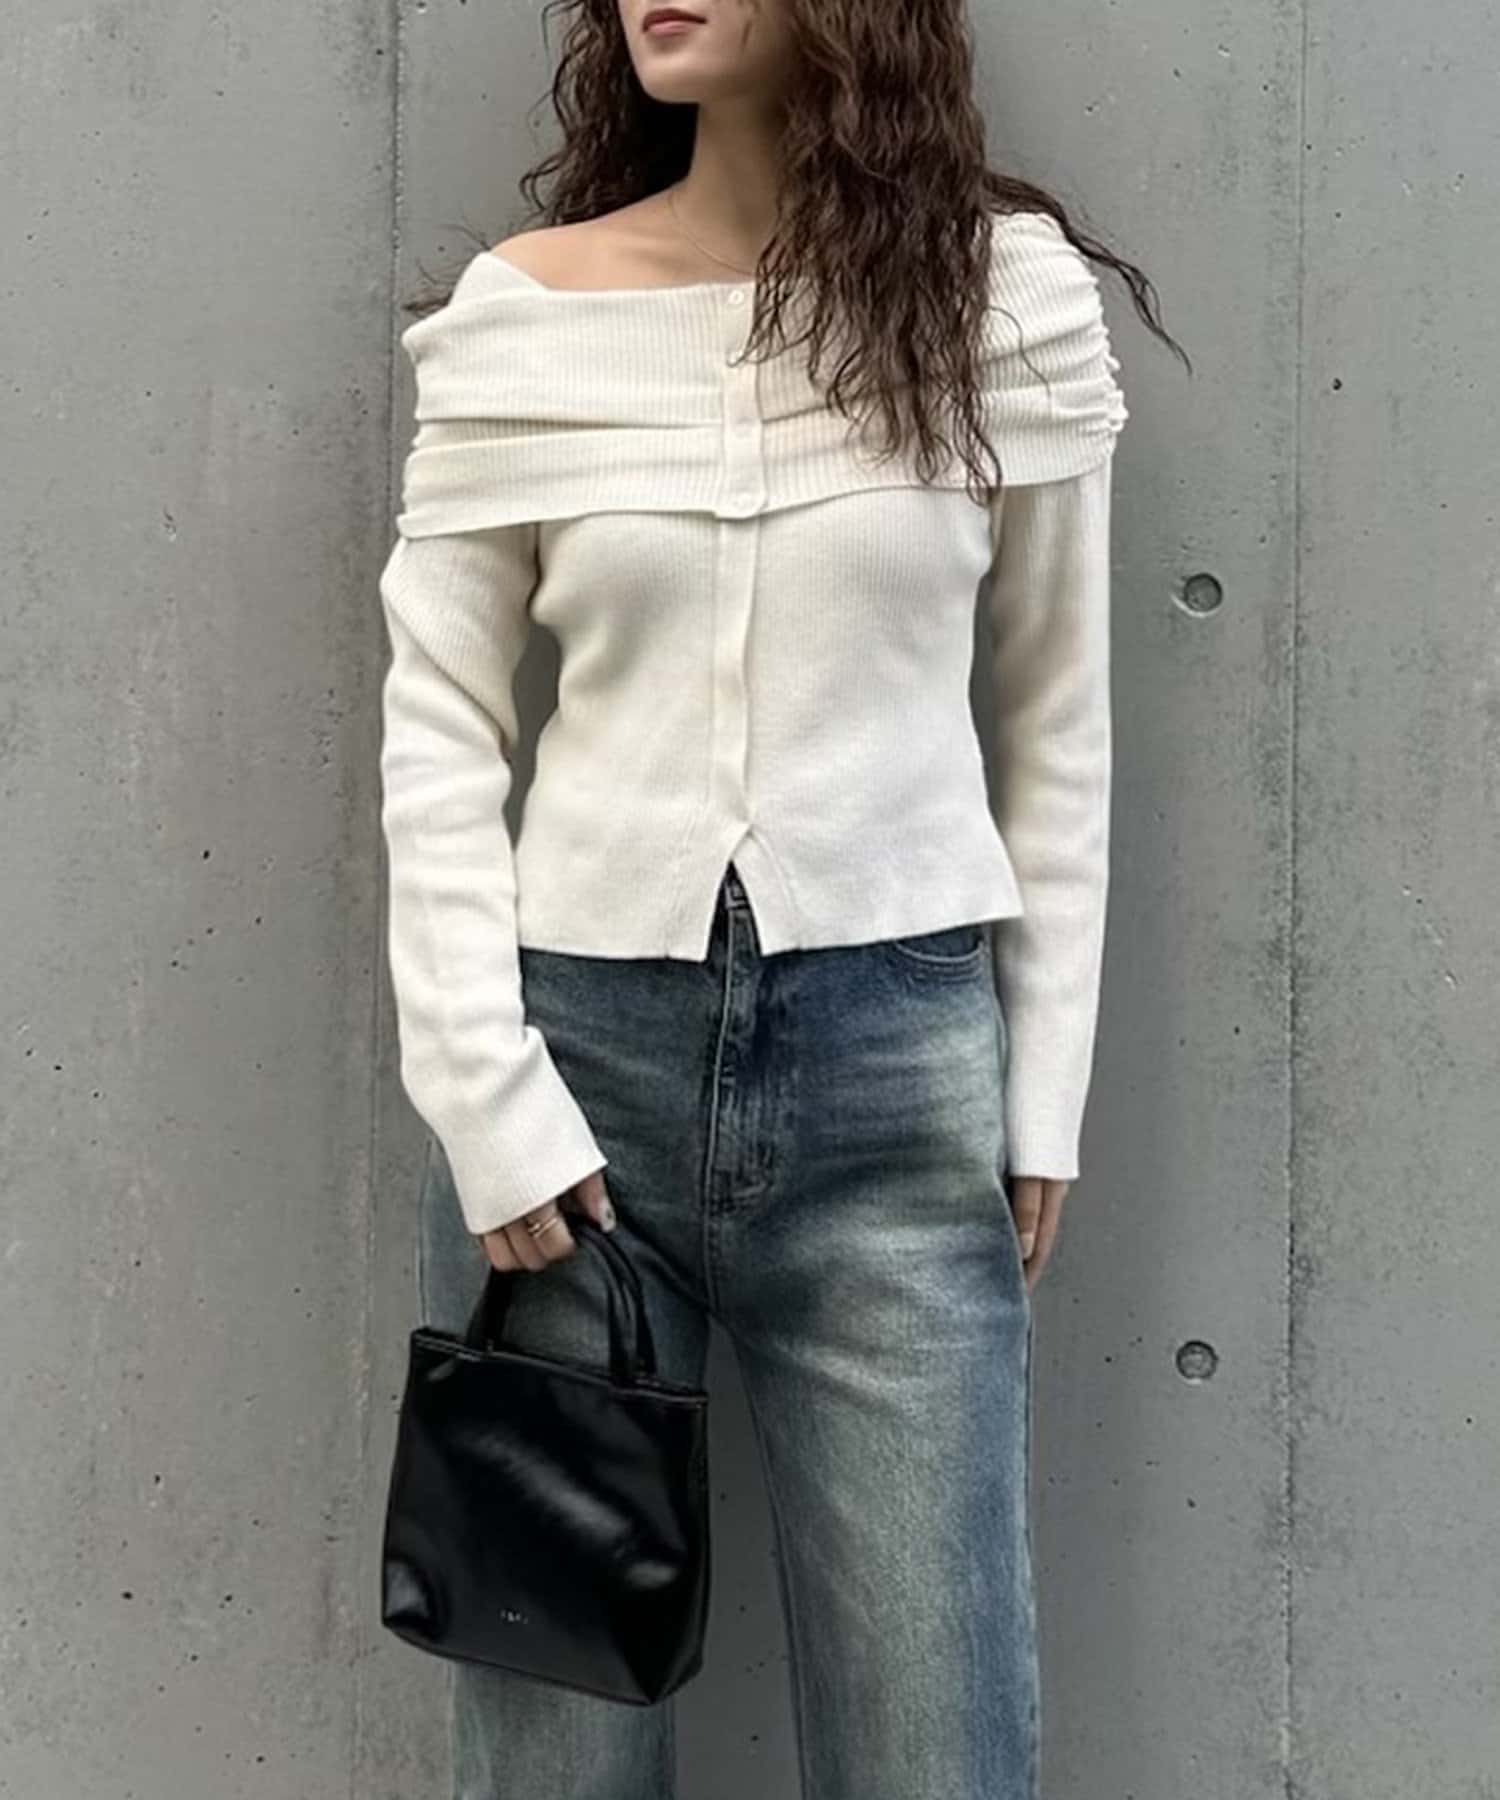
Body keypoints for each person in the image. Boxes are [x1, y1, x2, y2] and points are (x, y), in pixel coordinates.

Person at [377, 3, 1183, 1794]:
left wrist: (1041, 1095)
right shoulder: (525, 319)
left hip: (898, 1091)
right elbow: (437, 732)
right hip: (571, 1102)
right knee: (558, 1759)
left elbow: (1057, 726)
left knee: (937, 1750)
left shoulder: (1003, 305)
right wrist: (485, 1099)